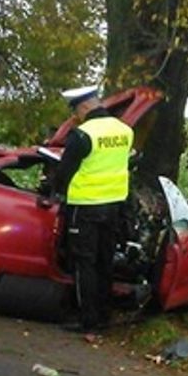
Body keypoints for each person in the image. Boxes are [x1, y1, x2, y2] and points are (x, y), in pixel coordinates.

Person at [47, 85, 134, 337]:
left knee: (84, 263)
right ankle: (104, 315)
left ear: (84, 107)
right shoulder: (124, 131)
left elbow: (64, 172)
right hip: (114, 206)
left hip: (85, 207)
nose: (76, 117)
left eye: (76, 112)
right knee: (104, 261)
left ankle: (87, 320)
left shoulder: (83, 135)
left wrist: (56, 191)